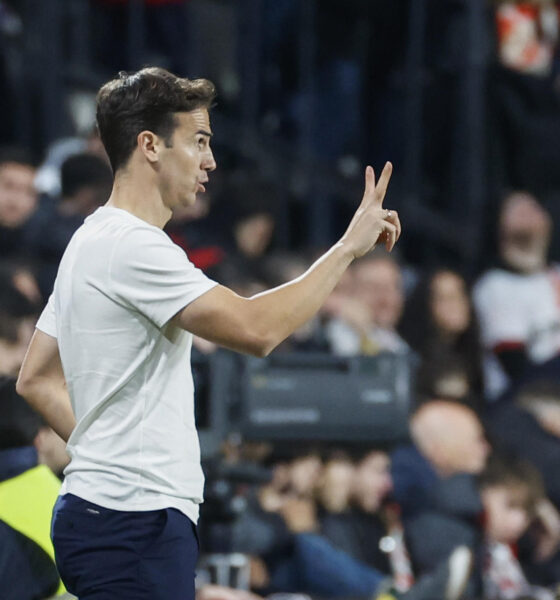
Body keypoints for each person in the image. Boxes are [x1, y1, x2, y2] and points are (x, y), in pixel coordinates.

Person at [16, 66, 401, 600]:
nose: (210, 161)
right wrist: (346, 250)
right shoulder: (133, 246)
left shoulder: (90, 241)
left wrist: (100, 455)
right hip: (134, 519)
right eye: (198, 142)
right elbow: (257, 329)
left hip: (113, 513)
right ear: (150, 145)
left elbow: (34, 379)